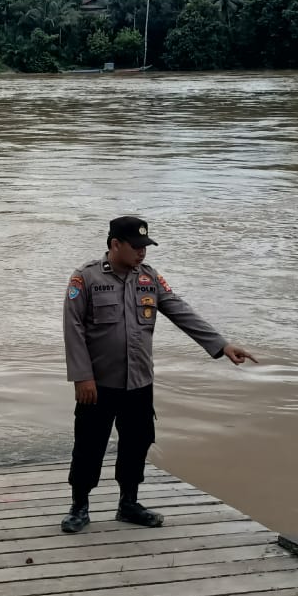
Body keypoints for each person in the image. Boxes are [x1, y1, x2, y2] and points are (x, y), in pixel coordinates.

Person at [60, 215, 257, 534]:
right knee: (89, 446)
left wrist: (221, 345)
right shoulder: (86, 278)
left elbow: (181, 311)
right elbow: (73, 328)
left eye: (145, 246)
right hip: (97, 385)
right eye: (136, 246)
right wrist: (82, 377)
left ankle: (128, 504)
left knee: (137, 443)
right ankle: (79, 506)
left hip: (138, 383)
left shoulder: (149, 279)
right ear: (115, 245)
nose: (142, 252)